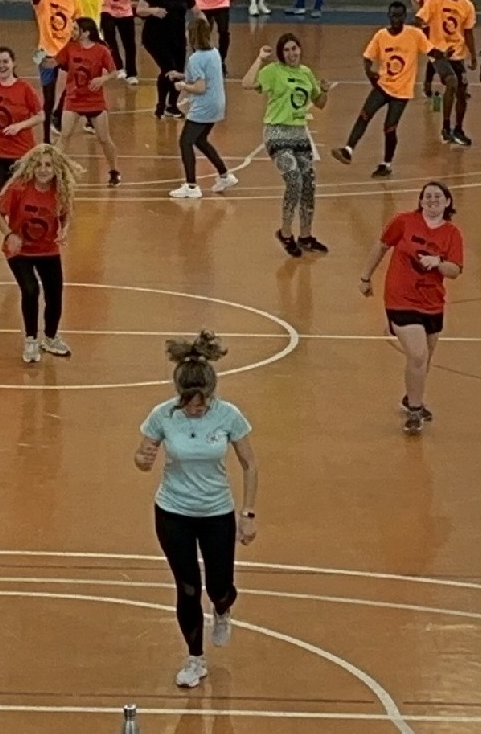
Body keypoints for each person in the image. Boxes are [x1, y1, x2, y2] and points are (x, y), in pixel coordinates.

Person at [132, 331, 258, 689]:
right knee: (188, 586)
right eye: (189, 404)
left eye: (201, 405)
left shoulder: (229, 416)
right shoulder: (161, 416)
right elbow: (142, 456)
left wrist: (247, 514)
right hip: (173, 513)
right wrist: (142, 459)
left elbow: (250, 464)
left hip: (216, 513)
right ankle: (195, 658)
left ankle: (222, 607)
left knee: (219, 585)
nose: (195, 410)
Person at [358, 183, 465, 433]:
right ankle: (415, 411)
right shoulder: (403, 222)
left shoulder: (452, 233)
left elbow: (455, 270)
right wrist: (365, 277)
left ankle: (410, 397)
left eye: (437, 196)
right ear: (421, 200)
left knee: (424, 359)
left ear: (447, 202)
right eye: (427, 196)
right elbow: (381, 246)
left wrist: (438, 262)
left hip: (432, 302)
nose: (432, 200)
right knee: (417, 355)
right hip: (401, 299)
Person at [243, 35, 329, 257]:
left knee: (309, 184)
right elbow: (247, 83)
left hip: (299, 133)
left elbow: (319, 103)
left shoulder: (306, 73)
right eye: (287, 50)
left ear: (300, 49)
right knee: (294, 180)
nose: (292, 54)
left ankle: (306, 236)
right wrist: (260, 59)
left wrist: (324, 90)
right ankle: (286, 232)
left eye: (294, 49)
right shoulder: (274, 71)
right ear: (281, 54)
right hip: (277, 132)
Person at [0, 143, 79, 362]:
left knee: (55, 294)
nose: (43, 170)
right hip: (19, 250)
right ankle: (31, 340)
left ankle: (50, 338)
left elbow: (66, 214)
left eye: (48, 165)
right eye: (39, 165)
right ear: (31, 167)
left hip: (47, 249)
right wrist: (9, 234)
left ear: (56, 168)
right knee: (30, 290)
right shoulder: (19, 188)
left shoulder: (60, 190)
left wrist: (64, 230)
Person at [333, 2, 430, 178]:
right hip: (383, 85)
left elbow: (431, 50)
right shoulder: (381, 35)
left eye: (399, 16)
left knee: (389, 128)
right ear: (388, 16)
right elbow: (367, 57)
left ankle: (386, 164)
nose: (396, 19)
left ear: (404, 17)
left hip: (402, 92)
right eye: (393, 15)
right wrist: (369, 72)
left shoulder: (414, 34)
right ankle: (348, 149)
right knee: (364, 115)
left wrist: (443, 55)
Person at [168, 18, 234, 199]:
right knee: (200, 139)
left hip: (204, 105)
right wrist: (181, 75)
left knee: (185, 142)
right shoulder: (214, 53)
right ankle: (225, 175)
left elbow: (200, 87)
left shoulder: (195, 58)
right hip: (217, 103)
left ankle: (191, 185)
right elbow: (203, 76)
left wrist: (182, 86)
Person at [55, 17, 122, 185]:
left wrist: (102, 79)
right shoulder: (70, 47)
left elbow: (114, 72)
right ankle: (54, 171)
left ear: (85, 32)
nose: (72, 32)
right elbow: (52, 62)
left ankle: (114, 170)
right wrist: (40, 55)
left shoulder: (101, 50)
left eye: (75, 29)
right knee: (64, 136)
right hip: (73, 99)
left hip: (95, 101)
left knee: (104, 139)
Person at [416, 0, 478, 146]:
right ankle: (445, 128)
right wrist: (423, 30)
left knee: (462, 92)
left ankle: (458, 129)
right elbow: (420, 19)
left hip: (457, 54)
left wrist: (473, 55)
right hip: (439, 53)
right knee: (451, 82)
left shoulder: (467, 6)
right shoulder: (435, 2)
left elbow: (468, 32)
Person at [0, 47, 46, 190]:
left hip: (22, 152)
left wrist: (19, 126)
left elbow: (40, 116)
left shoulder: (24, 88)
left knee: (22, 194)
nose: (2, 66)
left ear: (13, 63)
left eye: (5, 61)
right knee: (3, 195)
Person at [30, 0, 80, 140]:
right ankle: (46, 137)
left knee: (76, 80)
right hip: (44, 53)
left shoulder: (72, 1)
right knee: (48, 97)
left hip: (66, 51)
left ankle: (58, 115)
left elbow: (78, 24)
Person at [139, 0, 193, 119]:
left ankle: (172, 105)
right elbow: (140, 10)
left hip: (178, 39)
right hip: (155, 38)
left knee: (178, 71)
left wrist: (204, 25)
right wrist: (153, 11)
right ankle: (161, 105)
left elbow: (196, 11)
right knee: (169, 69)